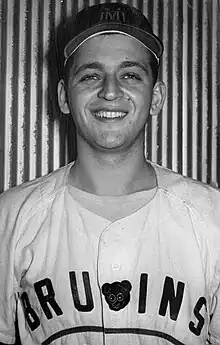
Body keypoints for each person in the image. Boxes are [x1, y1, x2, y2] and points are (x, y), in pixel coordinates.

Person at [0, 2, 219, 345]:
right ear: (63, 96)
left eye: (130, 74)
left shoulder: (213, 218)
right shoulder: (10, 216)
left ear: (157, 97)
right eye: (90, 75)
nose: (110, 90)